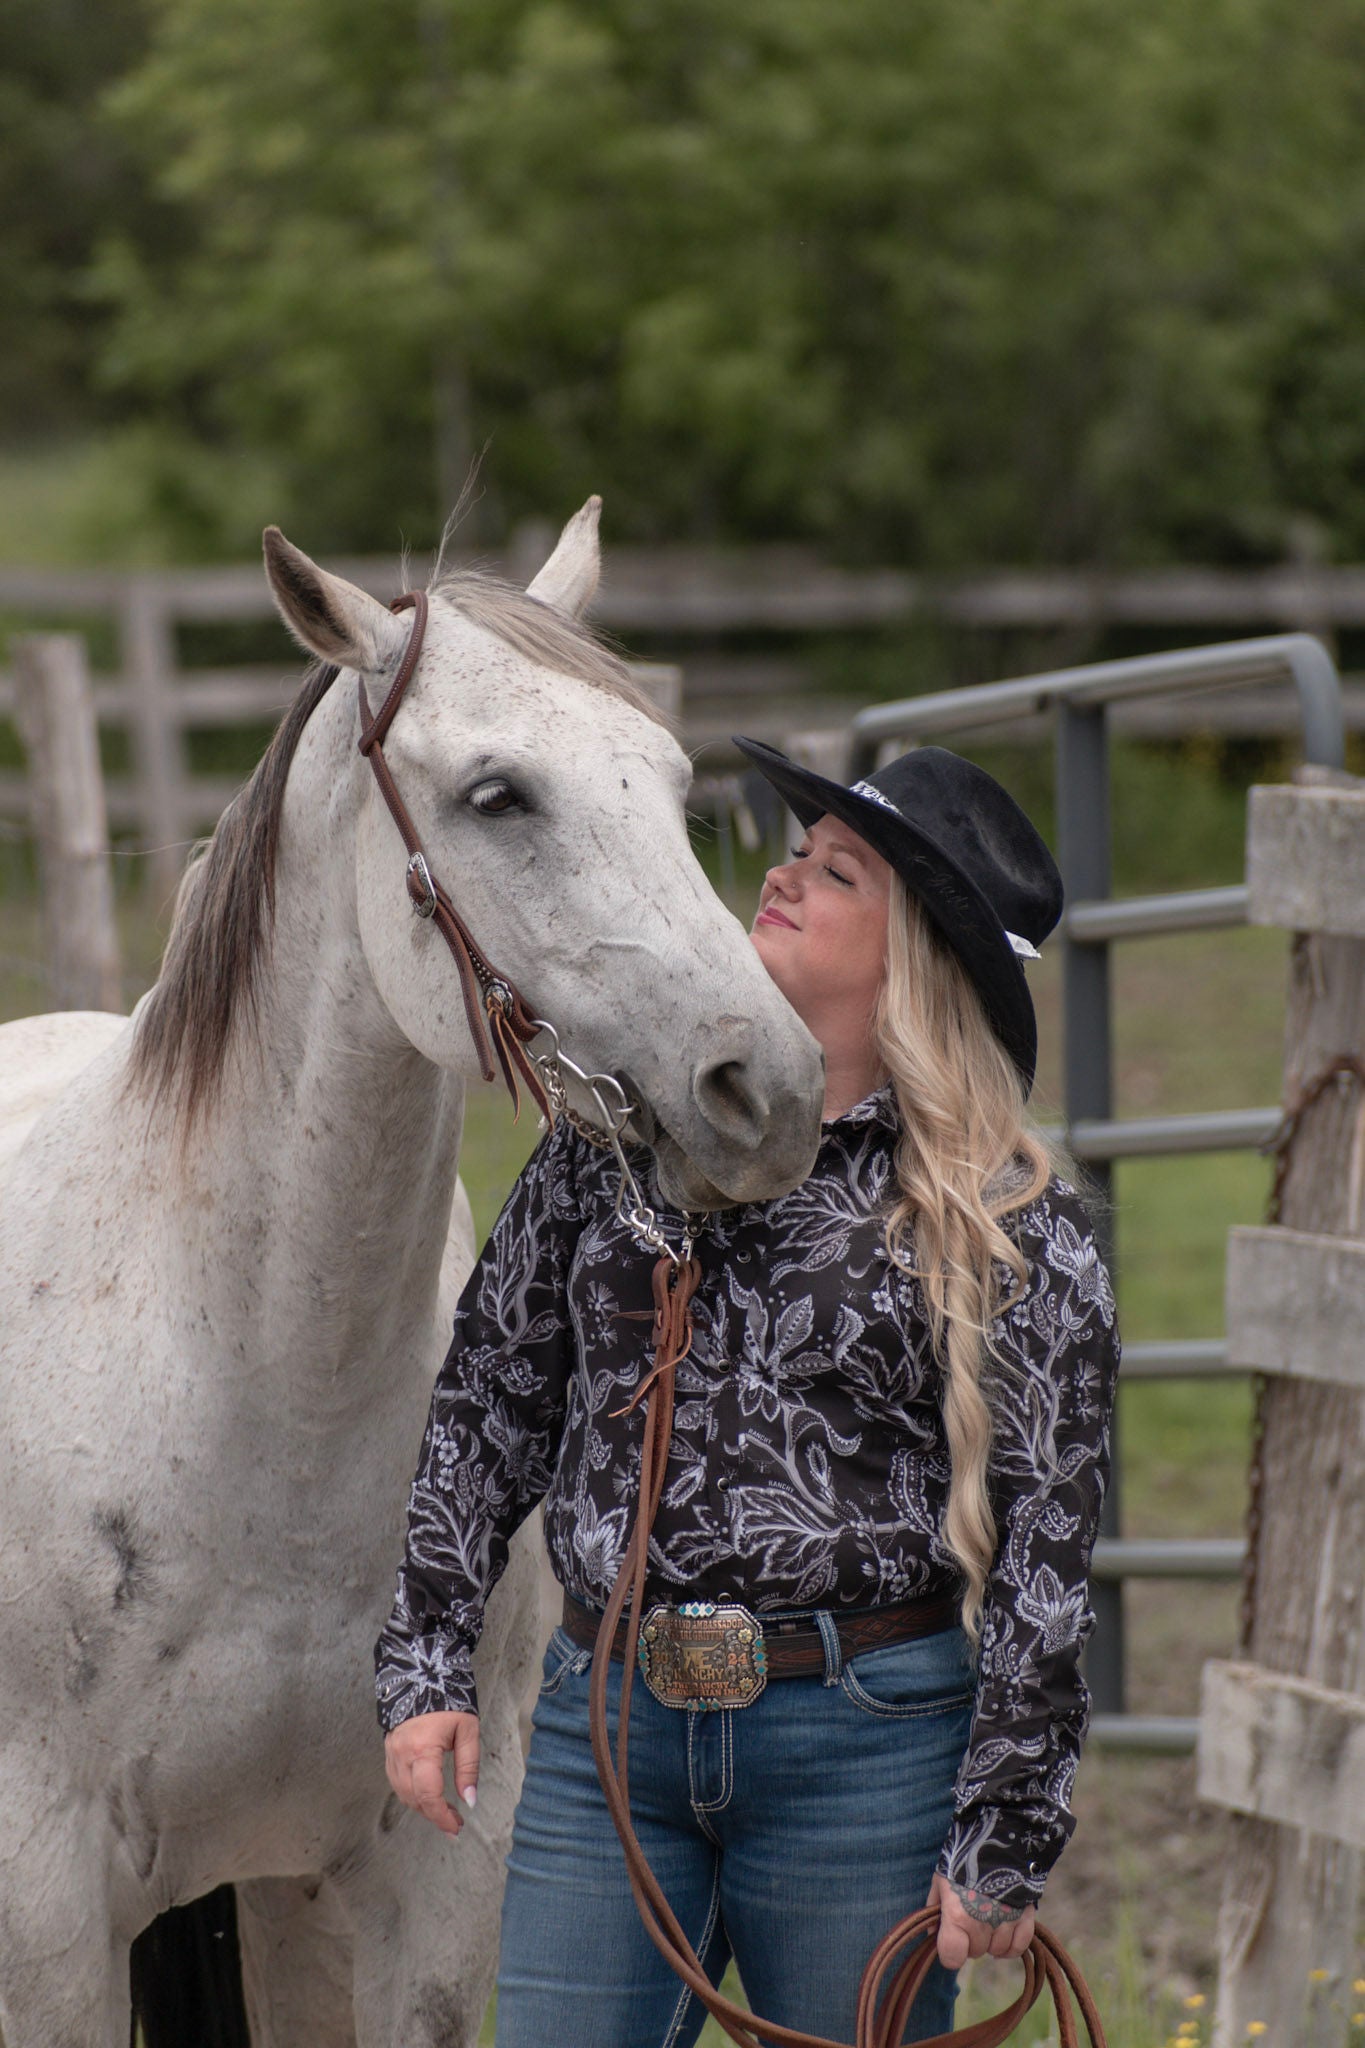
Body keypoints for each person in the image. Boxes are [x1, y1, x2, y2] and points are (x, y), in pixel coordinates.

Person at [375, 738, 1120, 2047]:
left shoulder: (1008, 1226)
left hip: (866, 1743)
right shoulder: (609, 1146)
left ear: (916, 961)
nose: (783, 877)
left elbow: (1046, 1555)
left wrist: (1005, 1827)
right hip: (605, 1727)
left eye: (835, 873)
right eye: (794, 851)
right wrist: (429, 1659)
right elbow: (491, 1390)